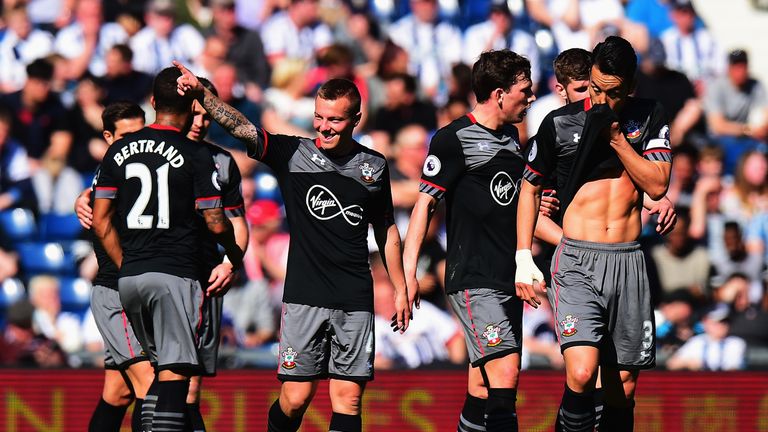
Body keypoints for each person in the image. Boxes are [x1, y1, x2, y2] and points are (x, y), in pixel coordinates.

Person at [175, 62, 410, 432]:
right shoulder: (293, 153)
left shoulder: (373, 166)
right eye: (319, 117)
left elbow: (387, 230)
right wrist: (204, 95)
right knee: (296, 398)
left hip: (354, 295)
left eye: (334, 119)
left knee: (348, 399)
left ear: (356, 119)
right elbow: (242, 127)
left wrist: (400, 287)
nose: (324, 126)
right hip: (305, 294)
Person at [516, 36, 672, 431]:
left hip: (627, 259)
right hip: (578, 259)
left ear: (630, 87)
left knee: (623, 385)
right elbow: (530, 189)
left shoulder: (649, 115)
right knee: (583, 373)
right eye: (596, 88)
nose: (601, 100)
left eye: (613, 93)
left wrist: (617, 139)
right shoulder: (559, 122)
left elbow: (656, 185)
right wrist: (523, 258)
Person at [92, 67, 243, 432]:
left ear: (153, 102)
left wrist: (126, 263)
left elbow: (100, 219)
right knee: (174, 383)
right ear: (192, 106)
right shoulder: (197, 155)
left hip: (127, 280)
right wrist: (233, 255)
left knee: (125, 388)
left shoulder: (119, 151)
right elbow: (215, 220)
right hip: (175, 274)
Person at [403, 49, 536, 432]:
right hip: (473, 278)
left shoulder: (512, 139)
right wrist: (408, 274)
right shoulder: (452, 139)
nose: (530, 98)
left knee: (482, 385)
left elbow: (511, 204)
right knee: (506, 374)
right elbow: (423, 206)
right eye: (524, 91)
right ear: (498, 94)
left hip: (508, 278)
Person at [74, 101, 155, 432]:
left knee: (118, 392)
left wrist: (82, 195)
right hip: (118, 291)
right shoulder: (118, 170)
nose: (135, 143)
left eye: (140, 134)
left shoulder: (126, 168)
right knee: (151, 389)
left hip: (137, 289)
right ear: (108, 137)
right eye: (126, 137)